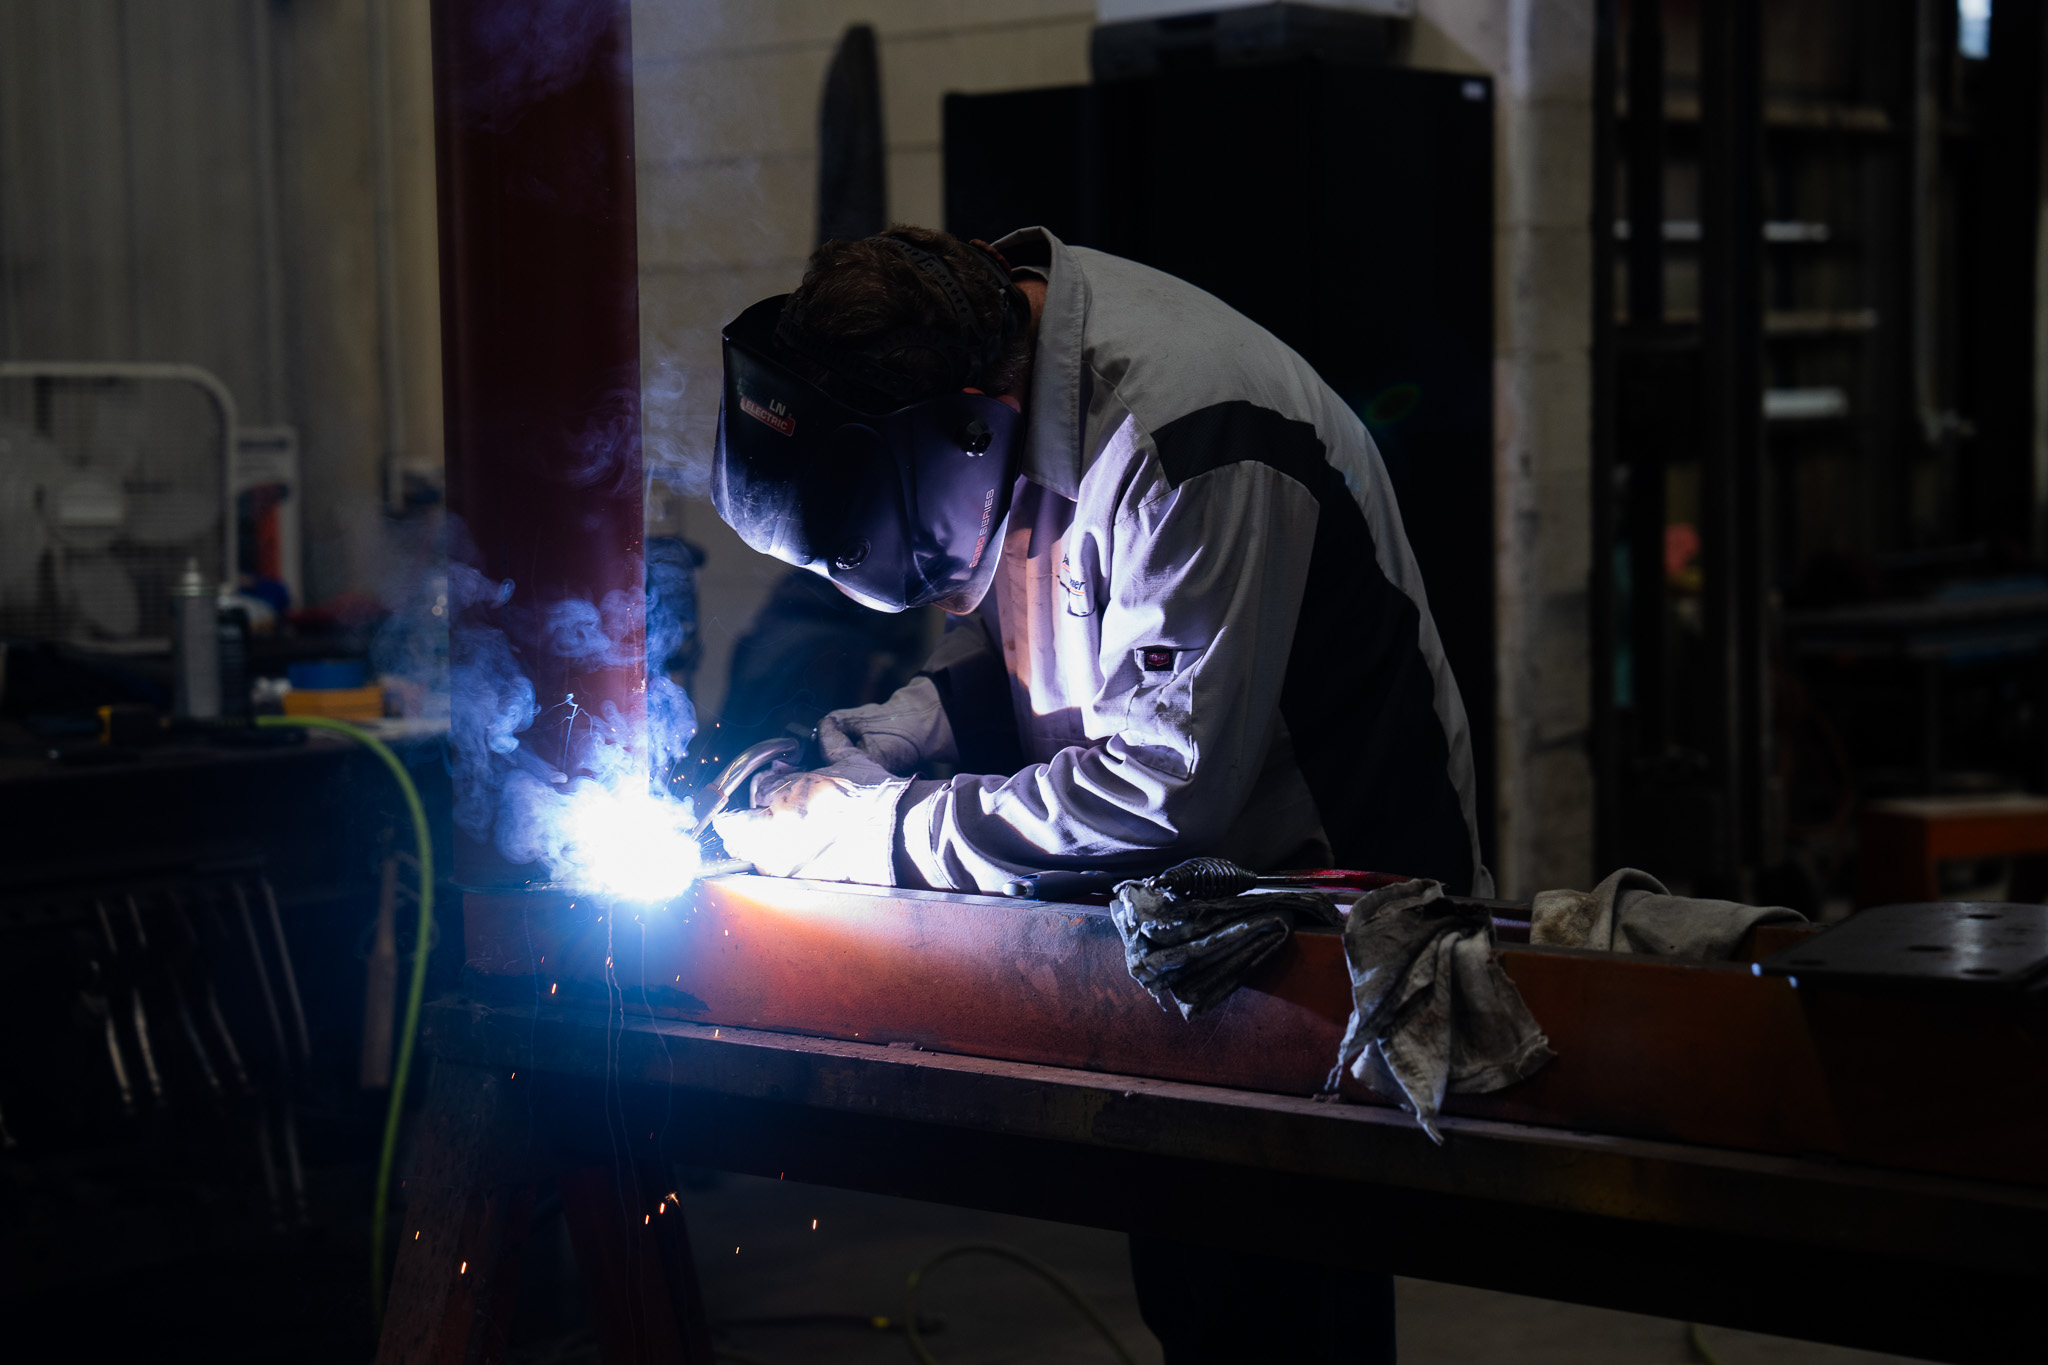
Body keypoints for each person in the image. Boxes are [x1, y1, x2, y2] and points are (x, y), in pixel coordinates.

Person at [709, 223, 1485, 1364]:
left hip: (1330, 908)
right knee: (1190, 1286)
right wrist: (893, 735)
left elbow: (1161, 790)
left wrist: (869, 830)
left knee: (1282, 1309)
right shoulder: (989, 380)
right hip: (1183, 920)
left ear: (965, 425)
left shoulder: (1185, 437)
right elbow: (1059, 658)